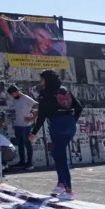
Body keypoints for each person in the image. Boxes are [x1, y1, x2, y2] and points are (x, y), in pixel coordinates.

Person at [30, 70, 83, 199]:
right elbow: (79, 107)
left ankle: (68, 190)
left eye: (42, 79)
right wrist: (72, 120)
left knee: (61, 156)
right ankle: (60, 183)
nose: (40, 82)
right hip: (70, 125)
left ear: (46, 80)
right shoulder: (65, 90)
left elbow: (41, 115)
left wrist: (33, 132)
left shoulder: (45, 94)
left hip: (57, 125)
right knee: (57, 153)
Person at [7, 85, 37, 171]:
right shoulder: (15, 100)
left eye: (12, 94)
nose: (12, 96)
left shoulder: (26, 98)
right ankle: (22, 162)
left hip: (26, 126)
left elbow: (38, 106)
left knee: (27, 144)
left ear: (16, 92)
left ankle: (30, 163)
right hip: (18, 125)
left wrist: (32, 118)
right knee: (20, 144)